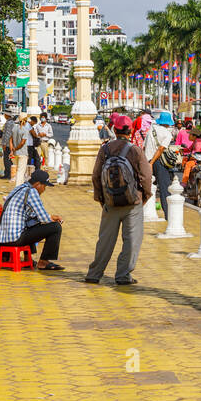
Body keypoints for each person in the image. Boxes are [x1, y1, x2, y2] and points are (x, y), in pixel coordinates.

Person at [85, 114, 151, 285]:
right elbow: (146, 176)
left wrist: (101, 198)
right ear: (130, 131)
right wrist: (145, 196)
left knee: (105, 240)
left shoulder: (105, 149)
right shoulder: (136, 150)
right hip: (132, 202)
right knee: (132, 240)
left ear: (114, 129)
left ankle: (94, 273)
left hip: (110, 202)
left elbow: (96, 175)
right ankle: (123, 275)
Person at [0, 170, 63, 270]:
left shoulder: (20, 188)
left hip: (4, 238)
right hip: (15, 238)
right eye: (44, 186)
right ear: (37, 184)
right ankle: (44, 261)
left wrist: (50, 217)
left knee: (33, 225)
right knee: (55, 227)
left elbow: (32, 215)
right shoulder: (32, 191)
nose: (44, 190)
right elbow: (43, 218)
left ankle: (28, 258)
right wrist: (52, 219)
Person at [0, 113, 16, 183]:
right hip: (9, 143)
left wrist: (5, 144)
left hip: (8, 144)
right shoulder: (11, 122)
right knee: (7, 159)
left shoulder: (9, 123)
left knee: (7, 159)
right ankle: (8, 173)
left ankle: (8, 174)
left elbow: (7, 134)